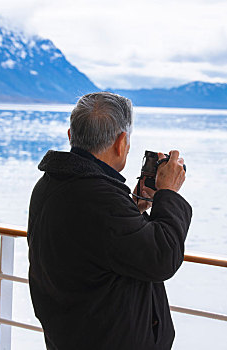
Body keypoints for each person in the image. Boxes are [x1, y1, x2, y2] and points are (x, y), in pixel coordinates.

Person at [27, 92, 192, 350]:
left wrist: (134, 208)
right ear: (121, 141)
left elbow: (97, 243)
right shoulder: (98, 198)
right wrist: (168, 193)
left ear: (71, 136)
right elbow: (162, 256)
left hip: (69, 335)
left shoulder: (51, 184)